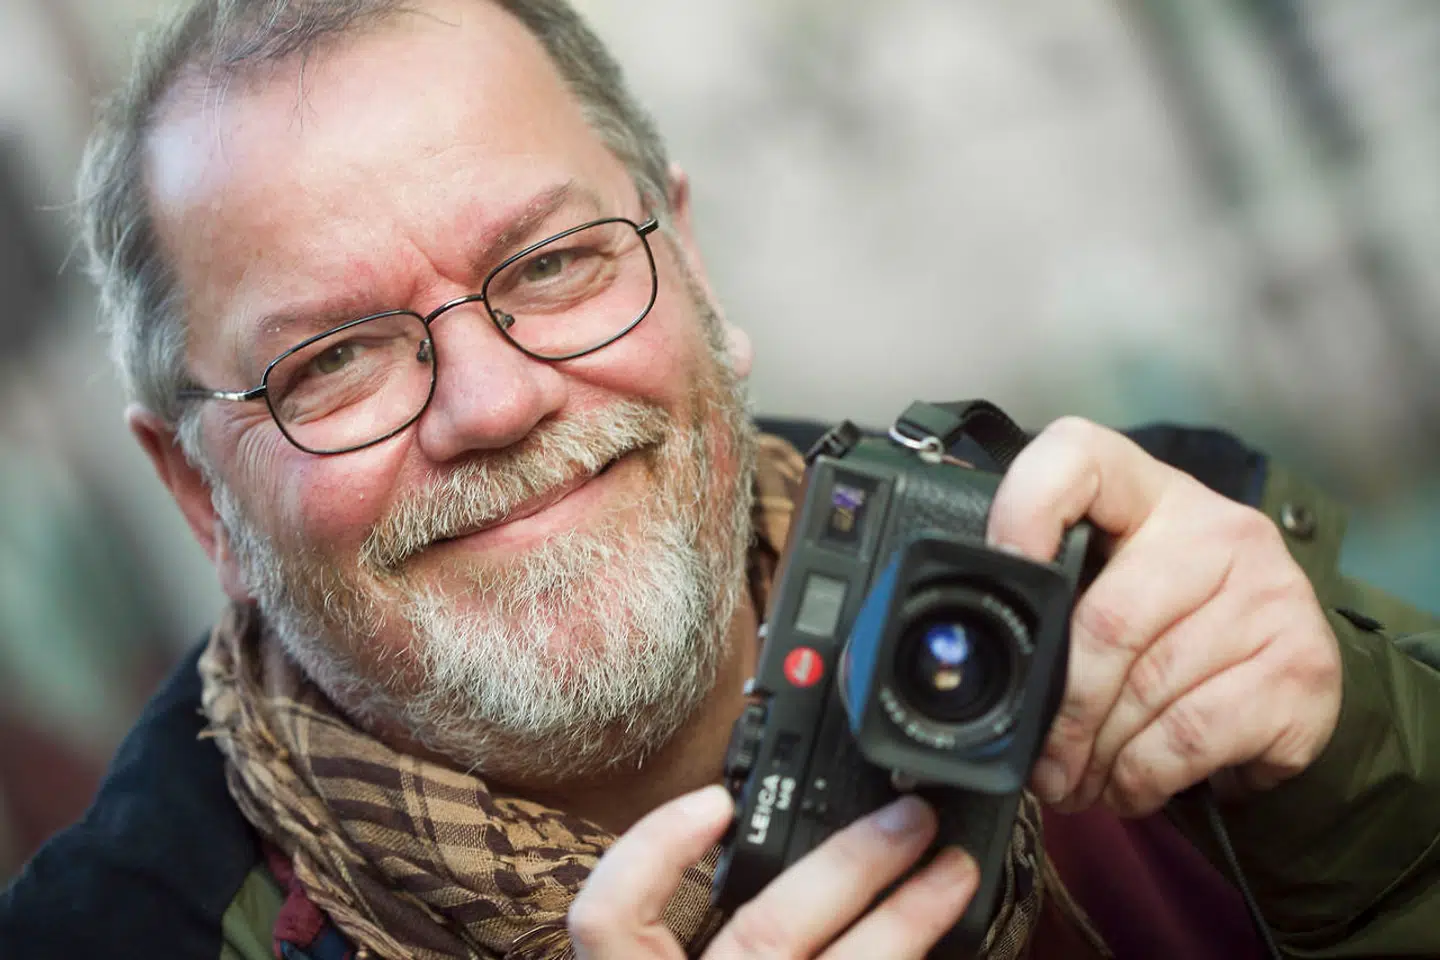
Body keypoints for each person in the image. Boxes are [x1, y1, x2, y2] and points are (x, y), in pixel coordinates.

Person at [3, 0, 1438, 957]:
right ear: (202, 500)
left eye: (554, 266)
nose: (493, 406)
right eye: (333, 362)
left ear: (687, 262)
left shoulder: (1116, 584)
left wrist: (1358, 783)